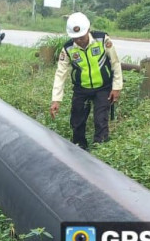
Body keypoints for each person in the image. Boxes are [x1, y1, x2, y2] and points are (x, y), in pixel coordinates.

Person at [49, 12, 123, 150]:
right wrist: (56, 100)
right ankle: (79, 149)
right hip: (81, 90)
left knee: (101, 120)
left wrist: (116, 87)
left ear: (88, 30)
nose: (79, 41)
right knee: (77, 121)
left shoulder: (102, 40)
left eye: (81, 37)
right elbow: (60, 74)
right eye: (75, 38)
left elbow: (115, 62)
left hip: (103, 88)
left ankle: (100, 150)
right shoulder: (68, 48)